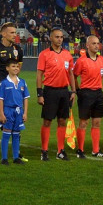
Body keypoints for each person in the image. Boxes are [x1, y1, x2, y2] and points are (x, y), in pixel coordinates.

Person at [0, 22, 25, 164]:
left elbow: (18, 69)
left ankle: (16, 153)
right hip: (1, 94)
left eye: (16, 32)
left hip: (14, 94)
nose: (15, 35)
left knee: (16, 122)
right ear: (4, 33)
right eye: (12, 32)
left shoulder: (18, 50)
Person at [37, 28, 76, 161]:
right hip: (50, 91)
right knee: (47, 121)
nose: (59, 39)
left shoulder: (67, 55)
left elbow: (71, 74)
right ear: (51, 38)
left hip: (64, 91)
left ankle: (60, 150)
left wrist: (73, 91)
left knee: (62, 121)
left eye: (61, 37)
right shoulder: (44, 54)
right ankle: (44, 151)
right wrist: (39, 93)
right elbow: (39, 74)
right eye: (57, 37)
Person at [73, 35, 103, 158]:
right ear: (87, 45)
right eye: (93, 43)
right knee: (84, 122)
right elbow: (74, 76)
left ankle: (96, 150)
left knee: (97, 122)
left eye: (98, 43)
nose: (96, 46)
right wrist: (77, 90)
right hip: (86, 94)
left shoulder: (102, 60)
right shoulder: (81, 61)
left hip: (98, 93)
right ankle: (80, 150)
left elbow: (102, 75)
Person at [0, 60, 30, 165]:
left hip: (19, 112)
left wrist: (25, 113)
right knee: (6, 134)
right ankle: (4, 158)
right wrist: (1, 113)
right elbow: (0, 99)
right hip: (8, 111)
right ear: (7, 68)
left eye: (17, 66)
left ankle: (16, 158)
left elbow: (26, 98)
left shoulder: (22, 82)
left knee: (16, 134)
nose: (16, 68)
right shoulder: (4, 83)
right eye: (13, 66)